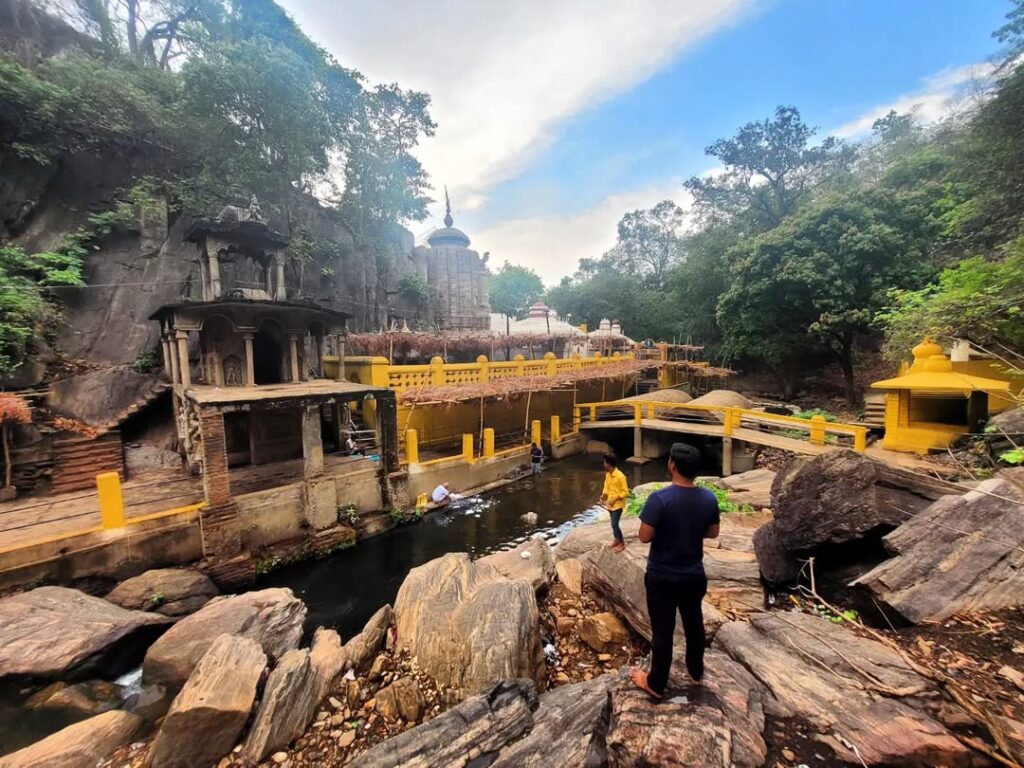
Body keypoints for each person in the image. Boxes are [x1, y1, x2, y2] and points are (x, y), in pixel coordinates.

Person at [630, 443, 719, 699]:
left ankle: (656, 683)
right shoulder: (708, 498)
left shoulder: (659, 499)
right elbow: (713, 532)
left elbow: (644, 536)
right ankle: (696, 670)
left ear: (672, 465)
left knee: (662, 631)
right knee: (694, 624)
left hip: (662, 576)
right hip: (693, 575)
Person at [598, 453, 629, 551]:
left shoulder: (620, 476)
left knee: (615, 524)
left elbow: (625, 492)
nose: (603, 464)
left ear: (608, 464)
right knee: (613, 523)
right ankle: (616, 539)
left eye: (604, 462)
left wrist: (615, 500)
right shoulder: (608, 475)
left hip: (618, 505)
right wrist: (603, 497)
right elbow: (606, 488)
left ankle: (622, 543)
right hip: (610, 504)